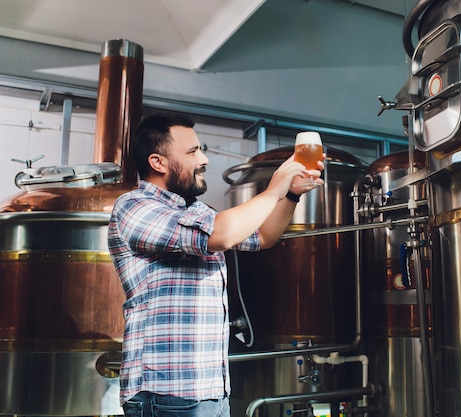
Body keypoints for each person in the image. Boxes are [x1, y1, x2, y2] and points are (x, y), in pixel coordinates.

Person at [108, 112, 324, 417]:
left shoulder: (198, 211)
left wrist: (290, 194)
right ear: (158, 162)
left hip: (212, 391)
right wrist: (273, 188)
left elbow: (263, 237)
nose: (204, 159)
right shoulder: (134, 207)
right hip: (165, 394)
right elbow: (221, 236)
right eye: (193, 152)